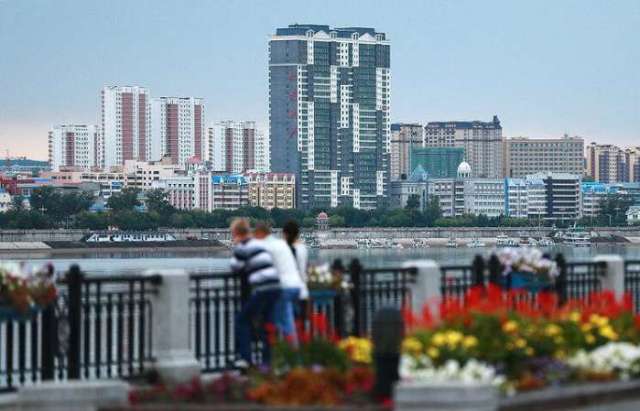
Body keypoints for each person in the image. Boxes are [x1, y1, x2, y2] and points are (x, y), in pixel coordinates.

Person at [230, 218, 281, 368]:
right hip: (275, 286)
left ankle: (246, 359)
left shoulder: (242, 247)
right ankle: (268, 362)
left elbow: (235, 267)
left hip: (262, 288)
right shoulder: (258, 244)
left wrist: (237, 246)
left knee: (241, 320)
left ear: (236, 233)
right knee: (268, 324)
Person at [254, 221, 303, 344]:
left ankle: (290, 351)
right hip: (296, 285)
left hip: (284, 287)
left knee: (283, 322)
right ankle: (286, 347)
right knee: (286, 319)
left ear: (260, 233)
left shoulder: (266, 245)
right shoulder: (280, 243)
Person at [282, 220, 309, 319]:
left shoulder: (282, 248)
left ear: (285, 234)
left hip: (286, 289)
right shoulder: (302, 248)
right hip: (301, 290)